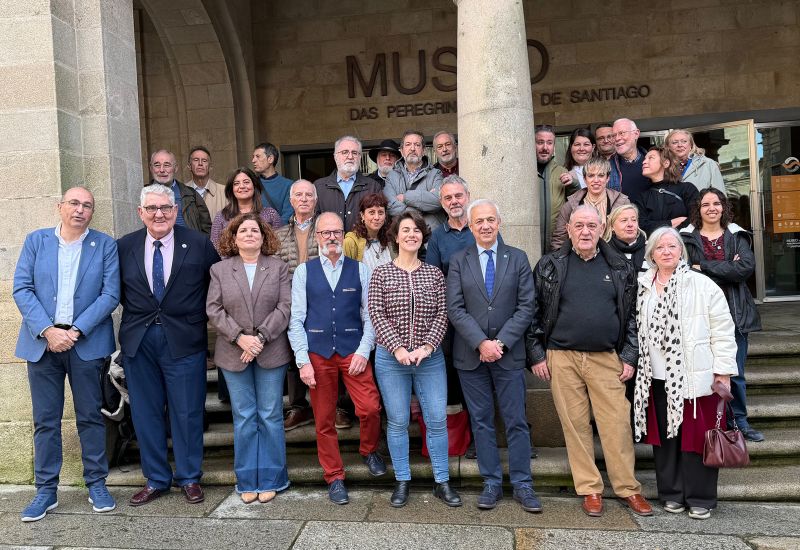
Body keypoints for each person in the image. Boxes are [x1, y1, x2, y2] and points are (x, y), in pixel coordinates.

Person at [527, 205, 652, 518]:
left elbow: (633, 315)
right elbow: (533, 312)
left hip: (606, 358)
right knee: (575, 426)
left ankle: (628, 489)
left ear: (602, 229)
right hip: (562, 356)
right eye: (579, 225)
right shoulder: (549, 265)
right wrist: (537, 355)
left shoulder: (621, 267)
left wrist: (628, 354)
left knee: (617, 424)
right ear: (569, 229)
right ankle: (590, 489)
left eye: (591, 226)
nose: (585, 232)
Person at [13, 187, 120, 522]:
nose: (80, 210)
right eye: (74, 203)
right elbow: (21, 287)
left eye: (87, 205)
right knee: (45, 421)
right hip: (42, 342)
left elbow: (110, 293)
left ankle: (97, 484)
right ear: (59, 206)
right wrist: (48, 330)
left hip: (84, 343)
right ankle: (46, 491)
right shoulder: (36, 241)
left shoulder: (104, 245)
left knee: (90, 415)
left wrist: (75, 331)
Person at [117, 184, 220, 507]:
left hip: (184, 339)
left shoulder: (200, 244)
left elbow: (215, 287)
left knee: (187, 411)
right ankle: (156, 478)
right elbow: (117, 291)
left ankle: (189, 477)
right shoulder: (124, 247)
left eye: (165, 208)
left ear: (176, 210)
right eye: (152, 209)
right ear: (141, 213)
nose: (159, 214)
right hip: (140, 341)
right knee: (146, 413)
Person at [633, 227, 738, 520]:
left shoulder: (701, 285)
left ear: (681, 251)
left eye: (672, 246)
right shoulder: (643, 286)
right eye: (660, 248)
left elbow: (723, 329)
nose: (666, 251)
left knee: (695, 440)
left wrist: (724, 371)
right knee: (666, 441)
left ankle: (700, 498)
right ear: (651, 254)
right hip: (655, 377)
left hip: (695, 378)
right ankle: (672, 493)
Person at [447, 199, 542, 514]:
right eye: (479, 221)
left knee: (516, 422)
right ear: (471, 226)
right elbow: (455, 308)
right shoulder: (459, 260)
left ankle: (523, 485)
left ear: (499, 222)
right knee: (482, 422)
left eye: (490, 219)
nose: (485, 225)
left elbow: (527, 306)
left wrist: (499, 341)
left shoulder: (517, 258)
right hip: (471, 357)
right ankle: (490, 483)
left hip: (508, 354)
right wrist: (480, 342)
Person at [288, 212, 386, 505]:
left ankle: (369, 450)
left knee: (369, 408)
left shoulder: (360, 270)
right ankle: (334, 476)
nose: (331, 237)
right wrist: (303, 361)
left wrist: (363, 350)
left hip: (352, 350)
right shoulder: (304, 272)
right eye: (325, 232)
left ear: (343, 235)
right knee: (324, 419)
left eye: (336, 232)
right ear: (316, 237)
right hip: (318, 353)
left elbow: (369, 316)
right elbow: (296, 320)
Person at [368, 211, 461, 508]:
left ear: (422, 237)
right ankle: (403, 480)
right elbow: (376, 314)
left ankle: (442, 481)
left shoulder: (433, 274)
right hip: (390, 360)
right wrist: (397, 348)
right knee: (397, 421)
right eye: (405, 230)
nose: (411, 234)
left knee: (436, 419)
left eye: (416, 230)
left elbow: (442, 314)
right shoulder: (381, 273)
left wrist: (427, 347)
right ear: (396, 237)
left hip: (428, 359)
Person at [206, 213, 292, 504]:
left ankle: (272, 478)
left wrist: (261, 337)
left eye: (254, 230)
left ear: (263, 235)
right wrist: (240, 337)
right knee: (244, 418)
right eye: (243, 230)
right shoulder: (219, 269)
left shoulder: (278, 267)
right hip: (233, 352)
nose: (249, 234)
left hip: (271, 349)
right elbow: (214, 309)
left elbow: (285, 306)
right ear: (233, 237)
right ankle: (247, 479)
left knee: (270, 416)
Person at [681, 188, 764, 442]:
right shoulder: (686, 238)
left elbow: (744, 269)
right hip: (699, 315)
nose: (711, 208)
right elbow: (686, 272)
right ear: (698, 209)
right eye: (705, 204)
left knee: (735, 373)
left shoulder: (737, 235)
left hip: (735, 314)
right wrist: (727, 266)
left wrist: (703, 265)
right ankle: (714, 422)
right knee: (704, 373)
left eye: (716, 203)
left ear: (723, 207)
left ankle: (738, 421)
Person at [275, 179, 319, 431]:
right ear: (291, 201)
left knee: (324, 354)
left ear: (315, 200)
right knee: (294, 356)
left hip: (321, 302)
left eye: (308, 195)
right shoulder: (279, 234)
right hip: (292, 303)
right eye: (298, 195)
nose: (303, 199)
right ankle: (299, 407)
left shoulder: (326, 229)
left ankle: (333, 405)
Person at [551, 157, 629, 250]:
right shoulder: (571, 205)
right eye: (591, 175)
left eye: (601, 175)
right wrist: (560, 262)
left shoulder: (621, 203)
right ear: (584, 179)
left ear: (607, 178)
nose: (596, 180)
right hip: (579, 259)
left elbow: (629, 235)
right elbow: (559, 240)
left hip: (614, 258)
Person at [314, 135, 383, 233]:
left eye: (354, 153)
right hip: (330, 245)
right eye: (345, 152)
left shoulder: (373, 187)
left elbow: (380, 219)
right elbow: (313, 221)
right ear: (335, 157)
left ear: (359, 157)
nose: (350, 157)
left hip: (362, 245)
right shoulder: (319, 187)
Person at [384, 130, 446, 229]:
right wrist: (424, 203)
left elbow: (438, 201)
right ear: (401, 150)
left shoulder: (435, 174)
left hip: (430, 235)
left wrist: (405, 197)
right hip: (403, 236)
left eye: (417, 145)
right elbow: (390, 207)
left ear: (424, 150)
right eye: (408, 144)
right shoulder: (392, 176)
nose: (412, 148)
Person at [210, 167, 281, 252]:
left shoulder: (271, 214)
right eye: (236, 183)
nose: (242, 186)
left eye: (246, 182)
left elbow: (279, 245)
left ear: (254, 186)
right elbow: (214, 248)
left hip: (265, 264)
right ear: (231, 189)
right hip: (230, 264)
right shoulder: (221, 216)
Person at [637, 147, 699, 235]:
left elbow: (696, 218)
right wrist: (672, 223)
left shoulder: (687, 189)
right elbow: (641, 226)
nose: (644, 162)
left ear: (666, 163)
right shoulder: (643, 197)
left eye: (651, 158)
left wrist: (659, 226)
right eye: (644, 159)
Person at [148, 149, 212, 234]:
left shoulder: (191, 194)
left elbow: (206, 227)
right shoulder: (143, 195)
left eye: (167, 165)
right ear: (151, 168)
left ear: (176, 168)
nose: (162, 170)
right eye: (157, 165)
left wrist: (198, 245)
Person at [536, 124, 576, 254]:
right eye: (540, 142)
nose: (545, 147)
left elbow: (575, 205)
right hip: (529, 243)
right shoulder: (522, 172)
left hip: (556, 246)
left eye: (549, 143)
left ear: (553, 146)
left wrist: (573, 184)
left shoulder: (562, 172)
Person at [343, 193, 394, 270]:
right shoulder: (351, 242)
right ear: (362, 215)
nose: (377, 217)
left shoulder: (390, 241)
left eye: (380, 213)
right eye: (372, 212)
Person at [608, 118, 650, 203]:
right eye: (613, 135)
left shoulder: (653, 162)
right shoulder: (607, 167)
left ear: (636, 134)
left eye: (621, 133)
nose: (617, 138)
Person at [252, 142, 293, 224]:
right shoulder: (251, 183)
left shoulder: (288, 185)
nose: (253, 160)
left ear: (270, 159)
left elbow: (287, 216)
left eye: (258, 156)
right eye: (253, 157)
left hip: (278, 233)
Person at [186, 146, 227, 219]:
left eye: (204, 160)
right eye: (196, 160)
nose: (200, 163)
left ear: (210, 166)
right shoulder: (182, 191)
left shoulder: (224, 192)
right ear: (189, 166)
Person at [604, 204, 648, 273]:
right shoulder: (604, 251)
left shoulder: (651, 249)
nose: (630, 224)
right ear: (612, 226)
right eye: (624, 220)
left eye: (634, 220)